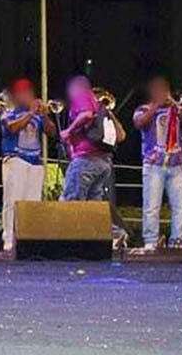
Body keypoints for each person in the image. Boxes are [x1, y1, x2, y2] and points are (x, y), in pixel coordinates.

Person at [59, 74, 127, 246]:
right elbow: (119, 136)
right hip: (103, 162)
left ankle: (70, 243)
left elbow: (87, 115)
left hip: (86, 159)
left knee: (71, 201)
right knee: (94, 206)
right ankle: (114, 233)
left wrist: (69, 130)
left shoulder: (82, 96)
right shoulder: (100, 106)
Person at [133, 75, 182, 250]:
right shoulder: (143, 109)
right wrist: (156, 106)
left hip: (177, 165)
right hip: (154, 166)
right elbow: (139, 123)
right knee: (152, 206)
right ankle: (150, 241)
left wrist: (179, 109)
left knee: (180, 206)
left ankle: (177, 240)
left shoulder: (176, 110)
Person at [0, 78, 55, 252]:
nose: (27, 96)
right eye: (23, 93)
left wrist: (44, 115)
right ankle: (9, 239)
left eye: (29, 92)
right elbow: (12, 128)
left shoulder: (38, 114)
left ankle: (29, 240)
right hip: (15, 159)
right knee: (12, 201)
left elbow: (52, 132)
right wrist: (30, 113)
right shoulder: (8, 110)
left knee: (33, 204)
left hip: (35, 162)